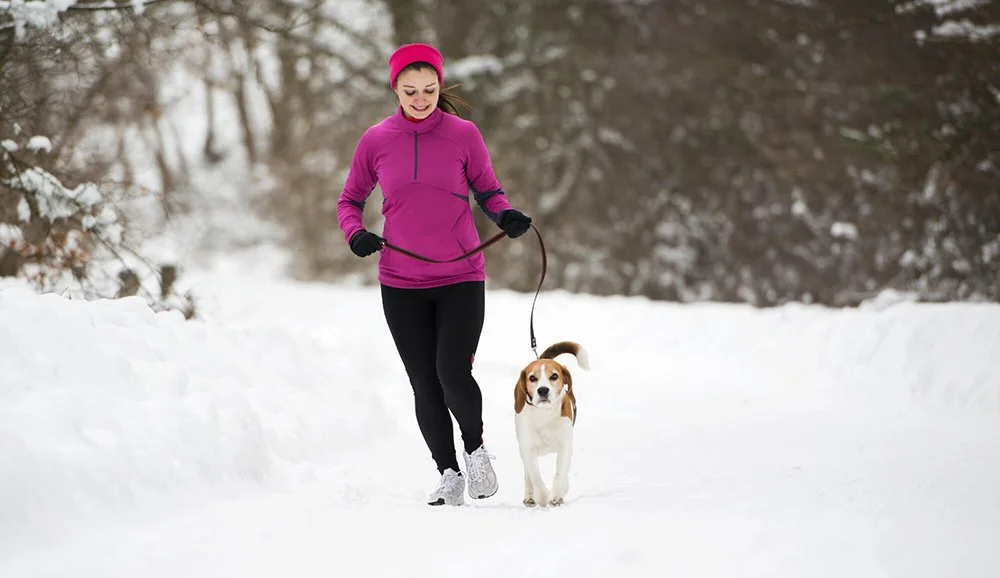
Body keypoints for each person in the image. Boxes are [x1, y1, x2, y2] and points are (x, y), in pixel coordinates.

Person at [336, 43, 533, 506]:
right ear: (395, 89)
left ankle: (475, 450)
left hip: (461, 276)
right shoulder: (376, 140)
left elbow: (488, 191)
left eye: (429, 89)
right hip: (400, 282)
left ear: (439, 85)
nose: (421, 99)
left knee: (452, 370)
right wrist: (355, 234)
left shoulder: (463, 134)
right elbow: (349, 201)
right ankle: (448, 472)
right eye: (410, 91)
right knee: (424, 382)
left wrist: (505, 215)